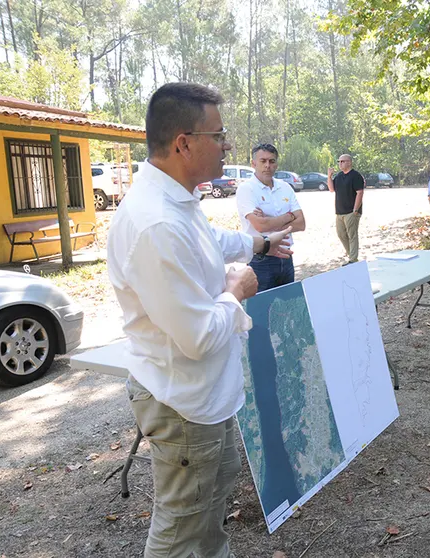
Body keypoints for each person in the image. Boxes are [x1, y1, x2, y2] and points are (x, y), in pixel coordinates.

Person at [107, 82, 292, 557]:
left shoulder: (176, 201)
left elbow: (209, 239)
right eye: (219, 134)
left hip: (204, 397)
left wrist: (260, 244)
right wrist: (235, 293)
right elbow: (196, 336)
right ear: (183, 143)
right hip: (183, 404)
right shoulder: (156, 224)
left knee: (209, 510)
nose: (228, 144)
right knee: (181, 530)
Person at [236, 143, 305, 290]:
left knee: (289, 307)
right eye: (263, 161)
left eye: (272, 161)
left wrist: (269, 220)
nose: (267, 165)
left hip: (286, 258)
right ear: (253, 163)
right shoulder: (246, 189)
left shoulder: (285, 187)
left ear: (276, 164)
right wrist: (289, 216)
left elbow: (301, 223)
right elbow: (260, 226)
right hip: (261, 259)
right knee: (262, 308)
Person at [328, 153, 365, 264]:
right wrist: (329, 176)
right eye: (339, 161)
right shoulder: (339, 176)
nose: (340, 163)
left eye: (343, 161)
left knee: (352, 235)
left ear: (349, 162)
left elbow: (360, 192)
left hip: (351, 211)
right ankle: (351, 255)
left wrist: (355, 210)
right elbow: (331, 189)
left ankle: (353, 259)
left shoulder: (356, 176)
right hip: (339, 212)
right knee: (341, 234)